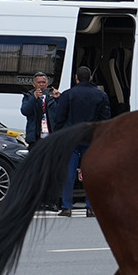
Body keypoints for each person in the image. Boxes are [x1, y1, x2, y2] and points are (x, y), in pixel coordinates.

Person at [51, 66, 111, 216]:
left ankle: (67, 206)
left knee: (68, 174)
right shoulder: (101, 95)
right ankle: (90, 207)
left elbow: (59, 118)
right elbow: (105, 119)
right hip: (91, 138)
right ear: (90, 78)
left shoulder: (68, 95)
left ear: (76, 78)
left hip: (72, 138)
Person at [20, 73, 57, 146]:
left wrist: (58, 98)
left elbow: (60, 113)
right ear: (34, 84)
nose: (41, 84)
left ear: (47, 84)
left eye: (43, 82)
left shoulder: (52, 96)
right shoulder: (29, 96)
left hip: (51, 136)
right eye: (39, 82)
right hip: (35, 136)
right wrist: (34, 98)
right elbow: (25, 111)